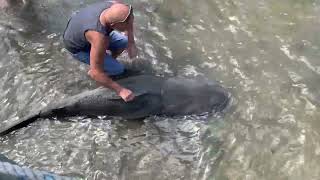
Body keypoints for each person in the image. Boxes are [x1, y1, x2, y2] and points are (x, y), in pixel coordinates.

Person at [63, 1, 138, 102]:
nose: (129, 27)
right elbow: (95, 73)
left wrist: (131, 42)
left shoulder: (115, 5)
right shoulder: (99, 38)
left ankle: (107, 62)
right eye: (125, 26)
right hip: (78, 47)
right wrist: (120, 90)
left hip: (85, 30)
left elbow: (129, 19)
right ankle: (104, 73)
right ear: (113, 25)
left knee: (123, 42)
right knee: (117, 69)